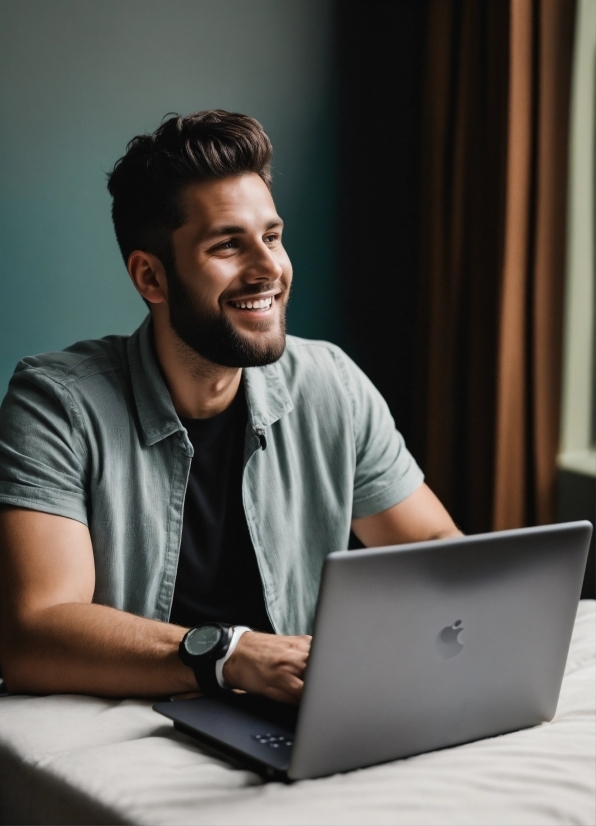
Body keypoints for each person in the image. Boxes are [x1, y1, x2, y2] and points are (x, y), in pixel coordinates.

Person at [0, 111, 460, 704]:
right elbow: (34, 633)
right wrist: (229, 654)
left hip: (297, 713)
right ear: (151, 277)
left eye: (271, 236)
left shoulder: (331, 383)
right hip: (129, 730)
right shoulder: (56, 405)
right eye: (227, 245)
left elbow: (431, 545)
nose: (269, 268)